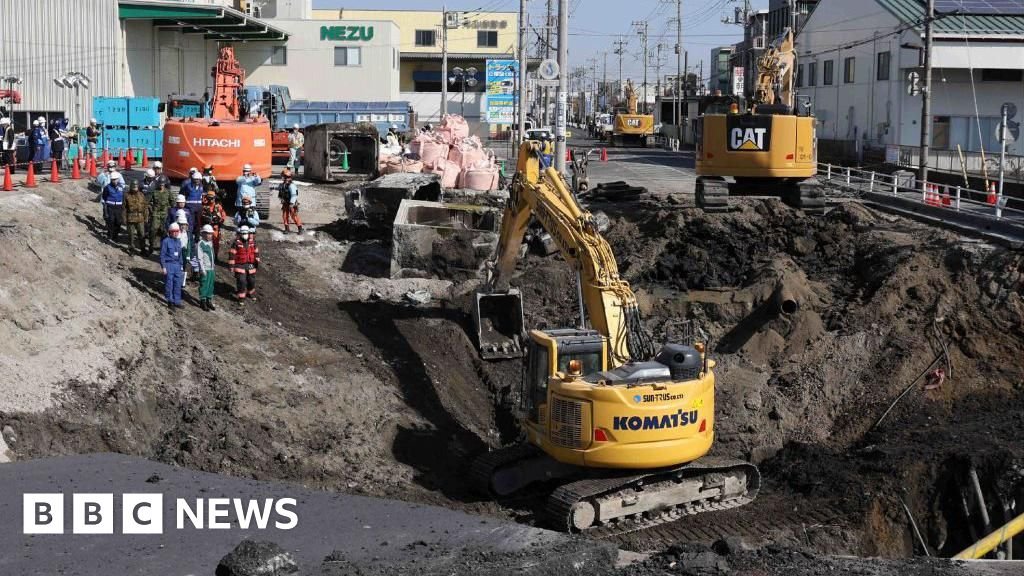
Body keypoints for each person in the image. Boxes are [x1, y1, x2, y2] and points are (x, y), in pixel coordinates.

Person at [227, 225, 260, 303]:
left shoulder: (252, 242)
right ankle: (241, 297)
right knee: (241, 281)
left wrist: (257, 261)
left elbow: (256, 252)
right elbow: (232, 254)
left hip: (250, 264)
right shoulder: (236, 243)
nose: (244, 235)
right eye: (243, 233)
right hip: (240, 265)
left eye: (246, 233)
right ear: (240, 234)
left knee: (251, 280)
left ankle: (250, 292)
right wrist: (231, 266)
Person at [161, 222, 185, 309]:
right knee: (169, 283)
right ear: (170, 232)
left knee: (178, 283)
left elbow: (180, 255)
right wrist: (163, 267)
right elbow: (162, 255)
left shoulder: (179, 241)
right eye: (173, 231)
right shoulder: (166, 241)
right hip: (169, 264)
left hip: (177, 265)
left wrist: (181, 265)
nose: (175, 233)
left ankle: (177, 301)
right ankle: (170, 301)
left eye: (177, 231)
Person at [199, 190, 229, 258]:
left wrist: (221, 221)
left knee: (215, 242)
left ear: (214, 198)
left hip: (215, 227)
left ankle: (215, 257)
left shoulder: (218, 207)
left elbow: (223, 215)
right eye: (209, 198)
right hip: (206, 228)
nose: (210, 200)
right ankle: (206, 256)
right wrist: (200, 227)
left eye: (212, 198)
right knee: (205, 242)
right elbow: (200, 217)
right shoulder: (204, 207)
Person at [124, 180, 150, 256]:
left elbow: (145, 207)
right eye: (134, 187)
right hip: (130, 218)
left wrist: (146, 218)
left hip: (140, 218)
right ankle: (131, 249)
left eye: (136, 187)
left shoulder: (141, 195)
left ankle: (143, 249)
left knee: (142, 235)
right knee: (131, 235)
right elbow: (124, 208)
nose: (135, 188)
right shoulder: (126, 195)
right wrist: (124, 219)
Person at [195, 224, 217, 311]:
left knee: (210, 285)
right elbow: (199, 258)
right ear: (203, 234)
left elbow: (212, 255)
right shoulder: (200, 244)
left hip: (211, 268)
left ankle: (209, 300)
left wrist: (213, 265)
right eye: (208, 233)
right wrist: (202, 269)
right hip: (205, 268)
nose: (210, 235)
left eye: (211, 234)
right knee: (204, 284)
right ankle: (203, 301)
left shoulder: (210, 243)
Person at [149, 181, 175, 256]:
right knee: (153, 230)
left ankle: (163, 248)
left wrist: (171, 210)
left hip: (165, 214)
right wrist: (151, 209)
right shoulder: (154, 192)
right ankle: (151, 246)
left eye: (163, 185)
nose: (161, 186)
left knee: (164, 231)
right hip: (156, 214)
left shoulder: (168, 192)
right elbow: (149, 201)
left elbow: (172, 202)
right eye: (160, 184)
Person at [101, 171, 126, 241]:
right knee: (111, 221)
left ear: (118, 179)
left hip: (119, 208)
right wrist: (105, 211)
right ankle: (110, 235)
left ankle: (115, 236)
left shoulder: (121, 188)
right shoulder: (107, 188)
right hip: (110, 207)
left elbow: (123, 198)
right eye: (113, 179)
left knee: (118, 222)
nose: (115, 181)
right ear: (111, 180)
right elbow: (104, 198)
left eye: (116, 179)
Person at [278, 169, 303, 234]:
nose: (284, 178)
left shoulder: (291, 185)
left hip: (292, 203)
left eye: (286, 177)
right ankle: (287, 229)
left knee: (294, 216)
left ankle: (300, 228)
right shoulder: (282, 185)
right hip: (285, 203)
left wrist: (291, 203)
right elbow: (280, 191)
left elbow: (294, 195)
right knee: (285, 216)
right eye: (284, 176)